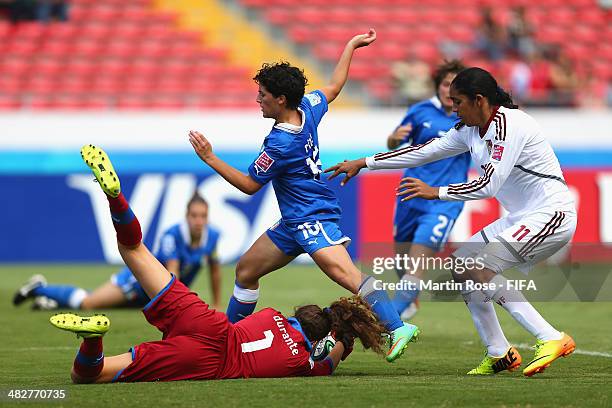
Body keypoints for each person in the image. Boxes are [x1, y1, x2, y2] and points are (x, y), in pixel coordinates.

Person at [50, 145, 387, 383]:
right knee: (87, 375)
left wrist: (334, 326)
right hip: (209, 359)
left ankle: (115, 198)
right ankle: (93, 340)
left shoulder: (271, 316)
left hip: (211, 324)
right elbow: (328, 360)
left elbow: (257, 319)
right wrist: (342, 342)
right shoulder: (302, 362)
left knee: (134, 248)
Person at [325, 67, 577, 377]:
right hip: (523, 216)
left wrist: (437, 192)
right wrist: (364, 163)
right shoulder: (470, 129)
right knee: (461, 265)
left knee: (479, 267)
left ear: (479, 100)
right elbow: (423, 152)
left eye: (457, 102)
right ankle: (499, 351)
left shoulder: (510, 125)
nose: (453, 108)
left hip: (552, 214)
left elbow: (488, 186)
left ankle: (550, 337)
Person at [188, 29, 419, 363]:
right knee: (246, 271)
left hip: (312, 218)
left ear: (281, 100)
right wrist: (351, 46)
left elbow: (250, 185)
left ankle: (398, 327)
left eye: (263, 95)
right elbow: (335, 87)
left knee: (348, 276)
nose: (258, 101)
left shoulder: (280, 144)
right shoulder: (308, 107)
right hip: (294, 220)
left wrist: (210, 158)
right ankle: (229, 341)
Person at [14, 192, 222, 311]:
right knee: (88, 304)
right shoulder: (172, 235)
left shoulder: (212, 237)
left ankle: (49, 303)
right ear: (186, 215)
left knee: (109, 307)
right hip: (137, 284)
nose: (198, 221)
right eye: (194, 215)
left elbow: (215, 270)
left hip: (156, 294)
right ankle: (40, 288)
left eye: (203, 216)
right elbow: (173, 273)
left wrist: (217, 303)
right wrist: (179, 308)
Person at [385, 60, 470, 320]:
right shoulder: (420, 111)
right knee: (401, 259)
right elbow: (394, 143)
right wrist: (394, 138)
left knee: (415, 264)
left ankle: (387, 320)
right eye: (446, 84)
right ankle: (408, 301)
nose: (449, 91)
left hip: (444, 199)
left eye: (455, 87)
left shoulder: (469, 117)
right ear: (437, 86)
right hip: (411, 193)